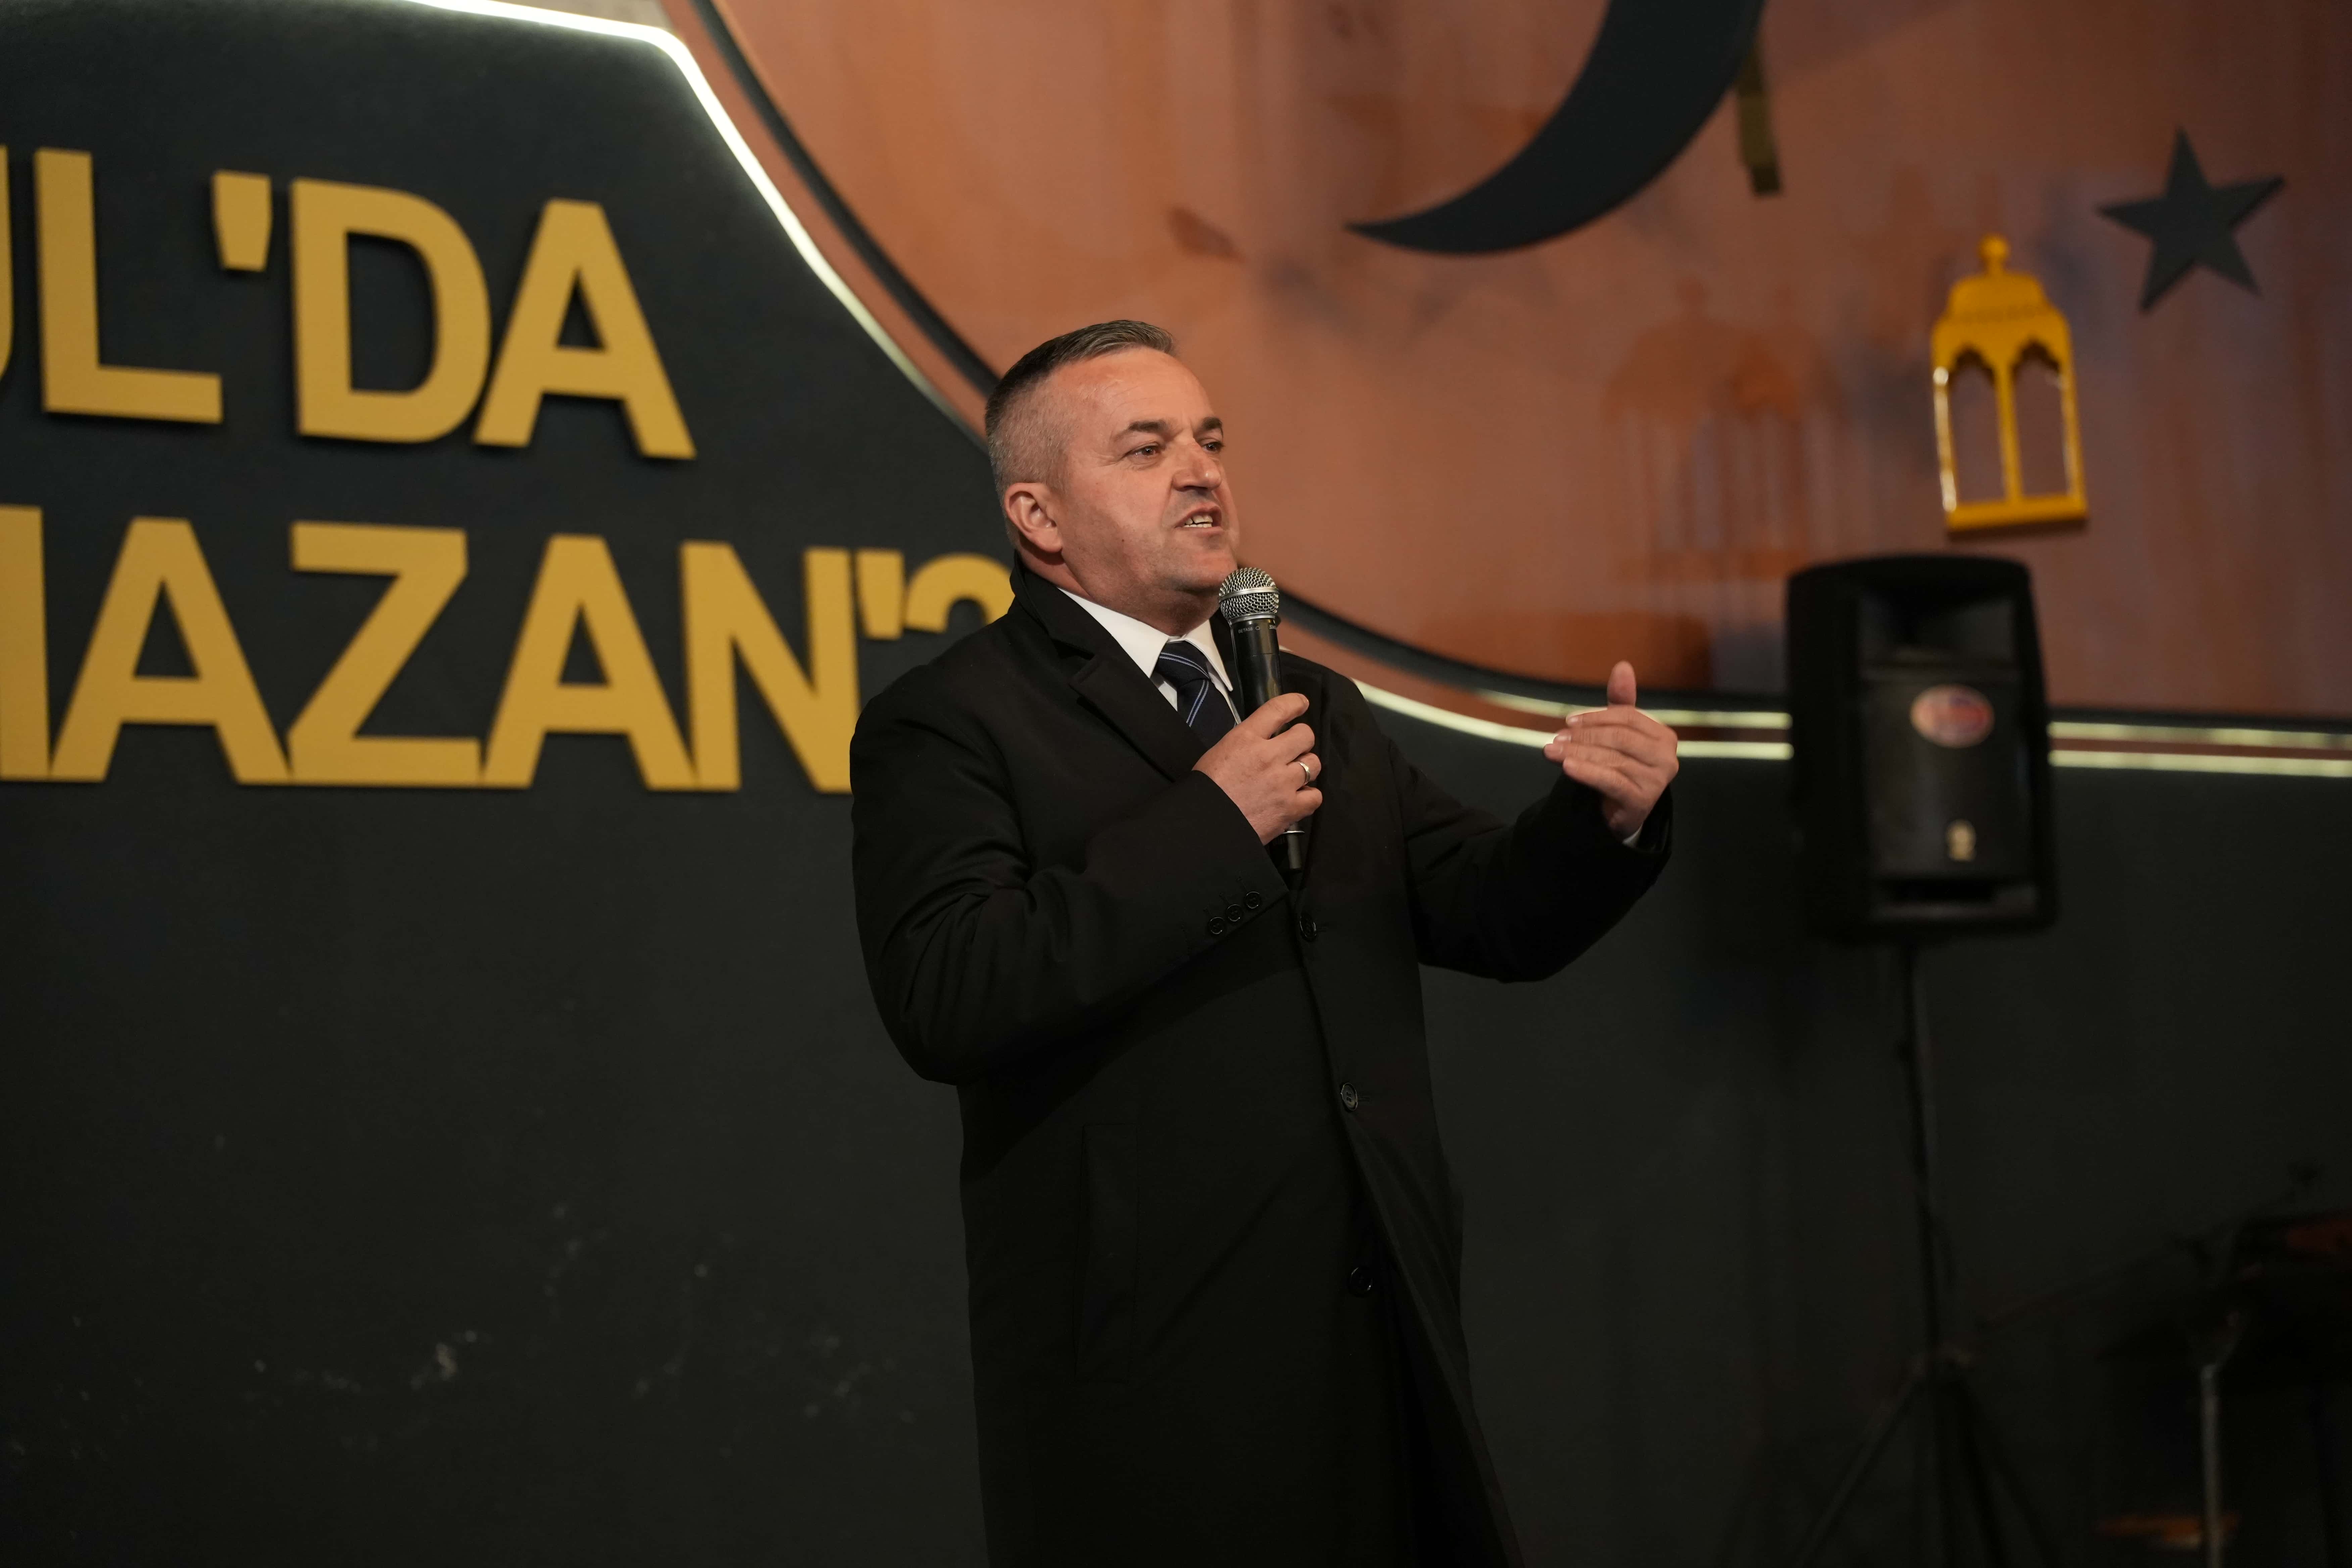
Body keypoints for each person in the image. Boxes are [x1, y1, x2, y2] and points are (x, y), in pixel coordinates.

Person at [849, 321, 1677, 1566]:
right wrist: (1213, 826)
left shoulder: (1308, 699)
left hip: (1382, 1327)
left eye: (1211, 439)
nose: (1201, 472)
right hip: (1163, 1375)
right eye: (1146, 449)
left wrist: (1602, 820)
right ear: (1040, 515)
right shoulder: (954, 720)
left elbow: (1489, 909)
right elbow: (950, 991)